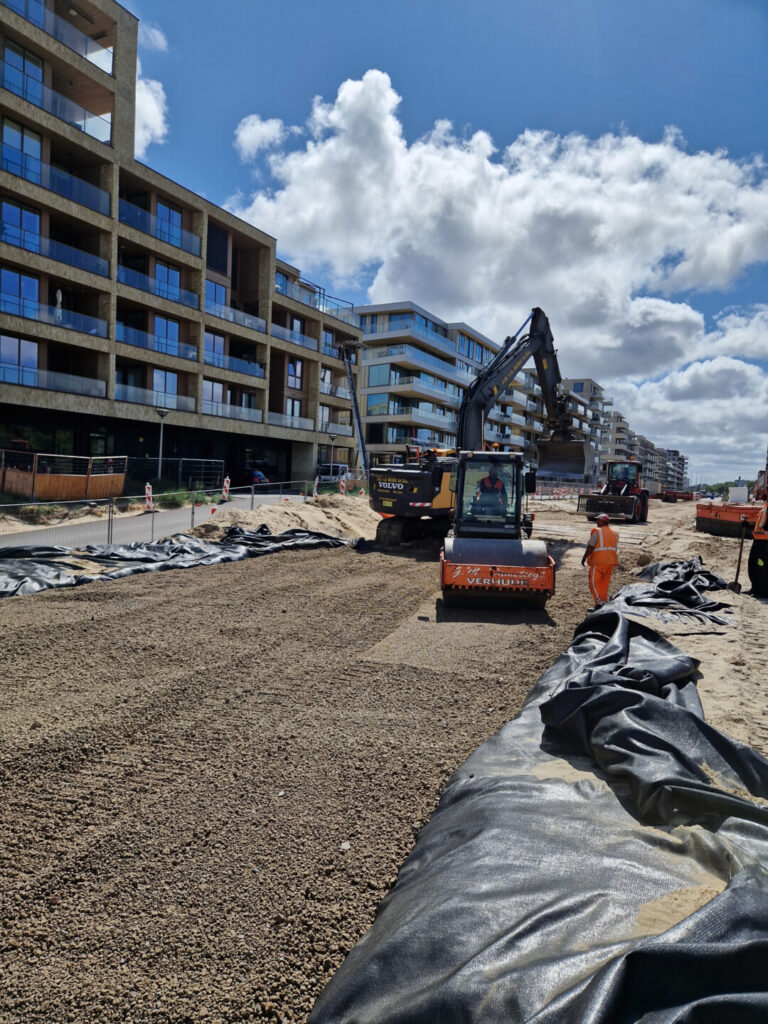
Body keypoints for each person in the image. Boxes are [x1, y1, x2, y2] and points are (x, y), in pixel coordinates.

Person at [581, 512, 619, 608]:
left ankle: (599, 603)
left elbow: (590, 546)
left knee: (593, 582)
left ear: (602, 521)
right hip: (610, 562)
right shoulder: (615, 533)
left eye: (598, 520)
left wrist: (584, 557)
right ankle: (603, 602)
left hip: (598, 561)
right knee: (604, 583)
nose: (597, 522)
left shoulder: (597, 532)